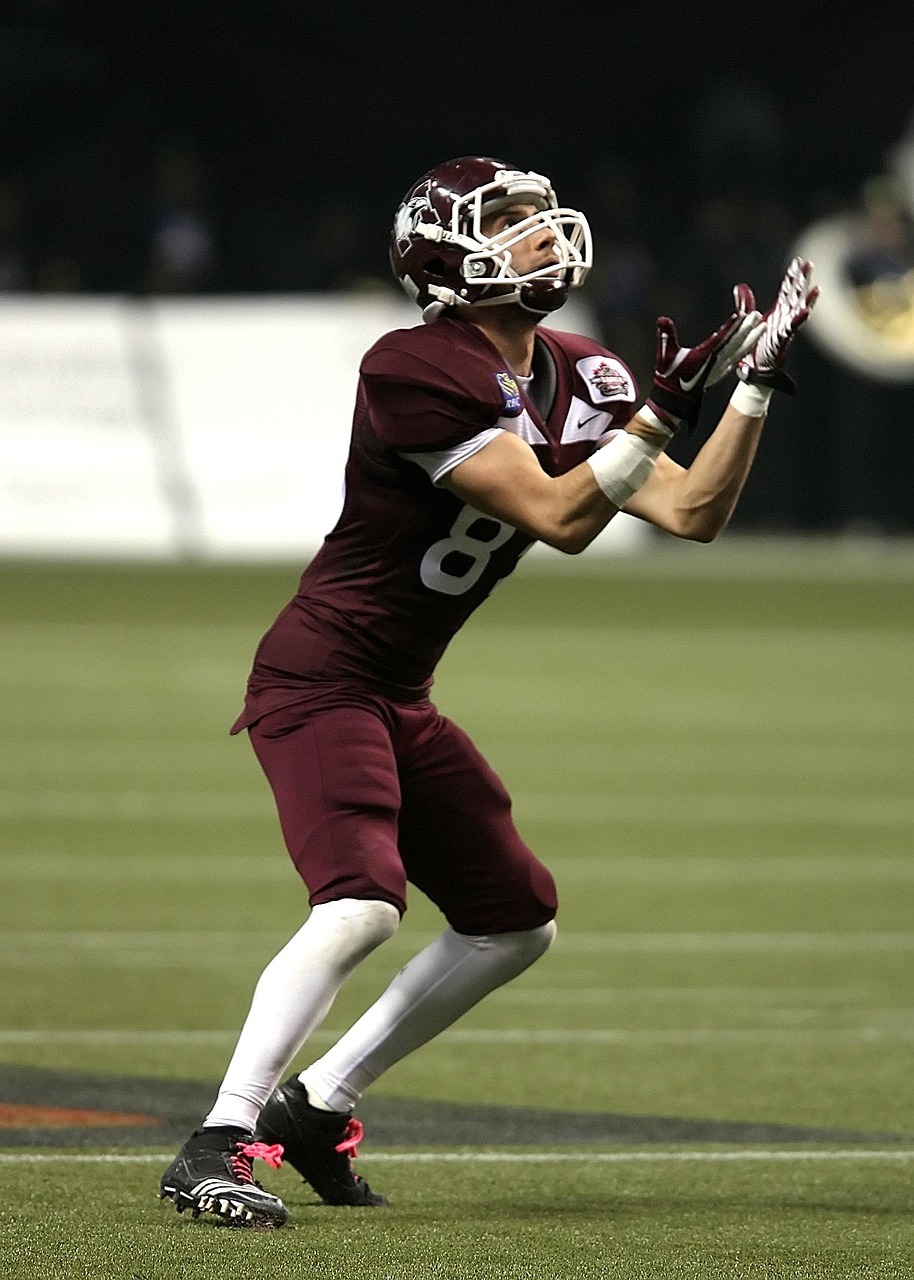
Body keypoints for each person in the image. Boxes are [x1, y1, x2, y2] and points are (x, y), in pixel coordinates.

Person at [159, 156, 817, 1227]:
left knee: (515, 920)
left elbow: (693, 511)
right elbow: (560, 517)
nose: (540, 233)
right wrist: (658, 413)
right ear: (446, 255)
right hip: (321, 674)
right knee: (360, 903)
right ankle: (219, 1139)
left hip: (399, 688)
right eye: (508, 221)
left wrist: (749, 389)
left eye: (539, 216)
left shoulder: (583, 369)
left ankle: (317, 1105)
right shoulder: (412, 365)